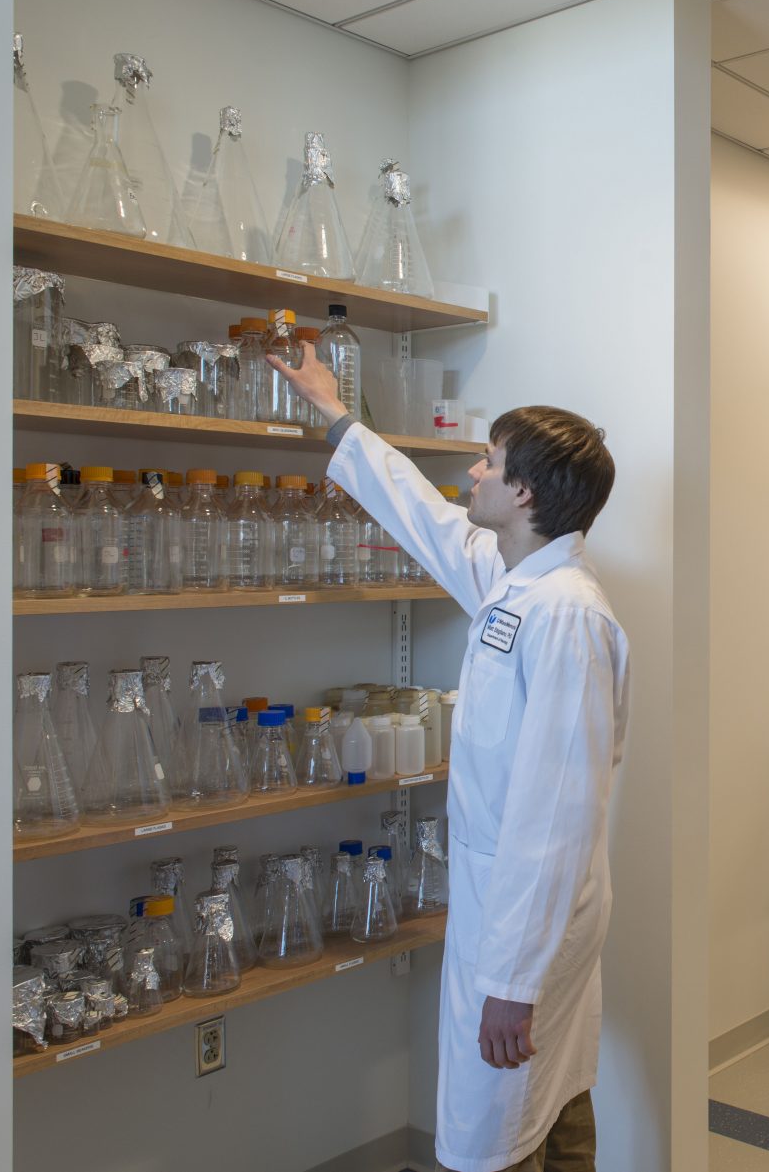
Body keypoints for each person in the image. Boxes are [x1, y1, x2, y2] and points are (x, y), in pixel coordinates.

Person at [269, 348, 629, 1172]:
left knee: (490, 1123)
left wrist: (513, 977)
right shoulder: (518, 584)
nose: (474, 470)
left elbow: (558, 815)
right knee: (550, 1092)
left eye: (490, 461)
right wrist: (334, 411)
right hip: (509, 904)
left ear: (526, 492)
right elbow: (426, 518)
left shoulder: (565, 616)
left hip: (525, 914)